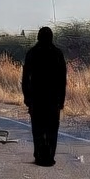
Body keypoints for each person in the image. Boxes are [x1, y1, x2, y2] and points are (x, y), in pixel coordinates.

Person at [21, 26, 67, 166]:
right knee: (52, 129)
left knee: (38, 129)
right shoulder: (57, 53)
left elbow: (25, 78)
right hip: (53, 99)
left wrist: (27, 97)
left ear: (38, 37)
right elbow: (62, 80)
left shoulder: (32, 53)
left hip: (37, 98)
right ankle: (50, 156)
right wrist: (61, 100)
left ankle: (39, 156)